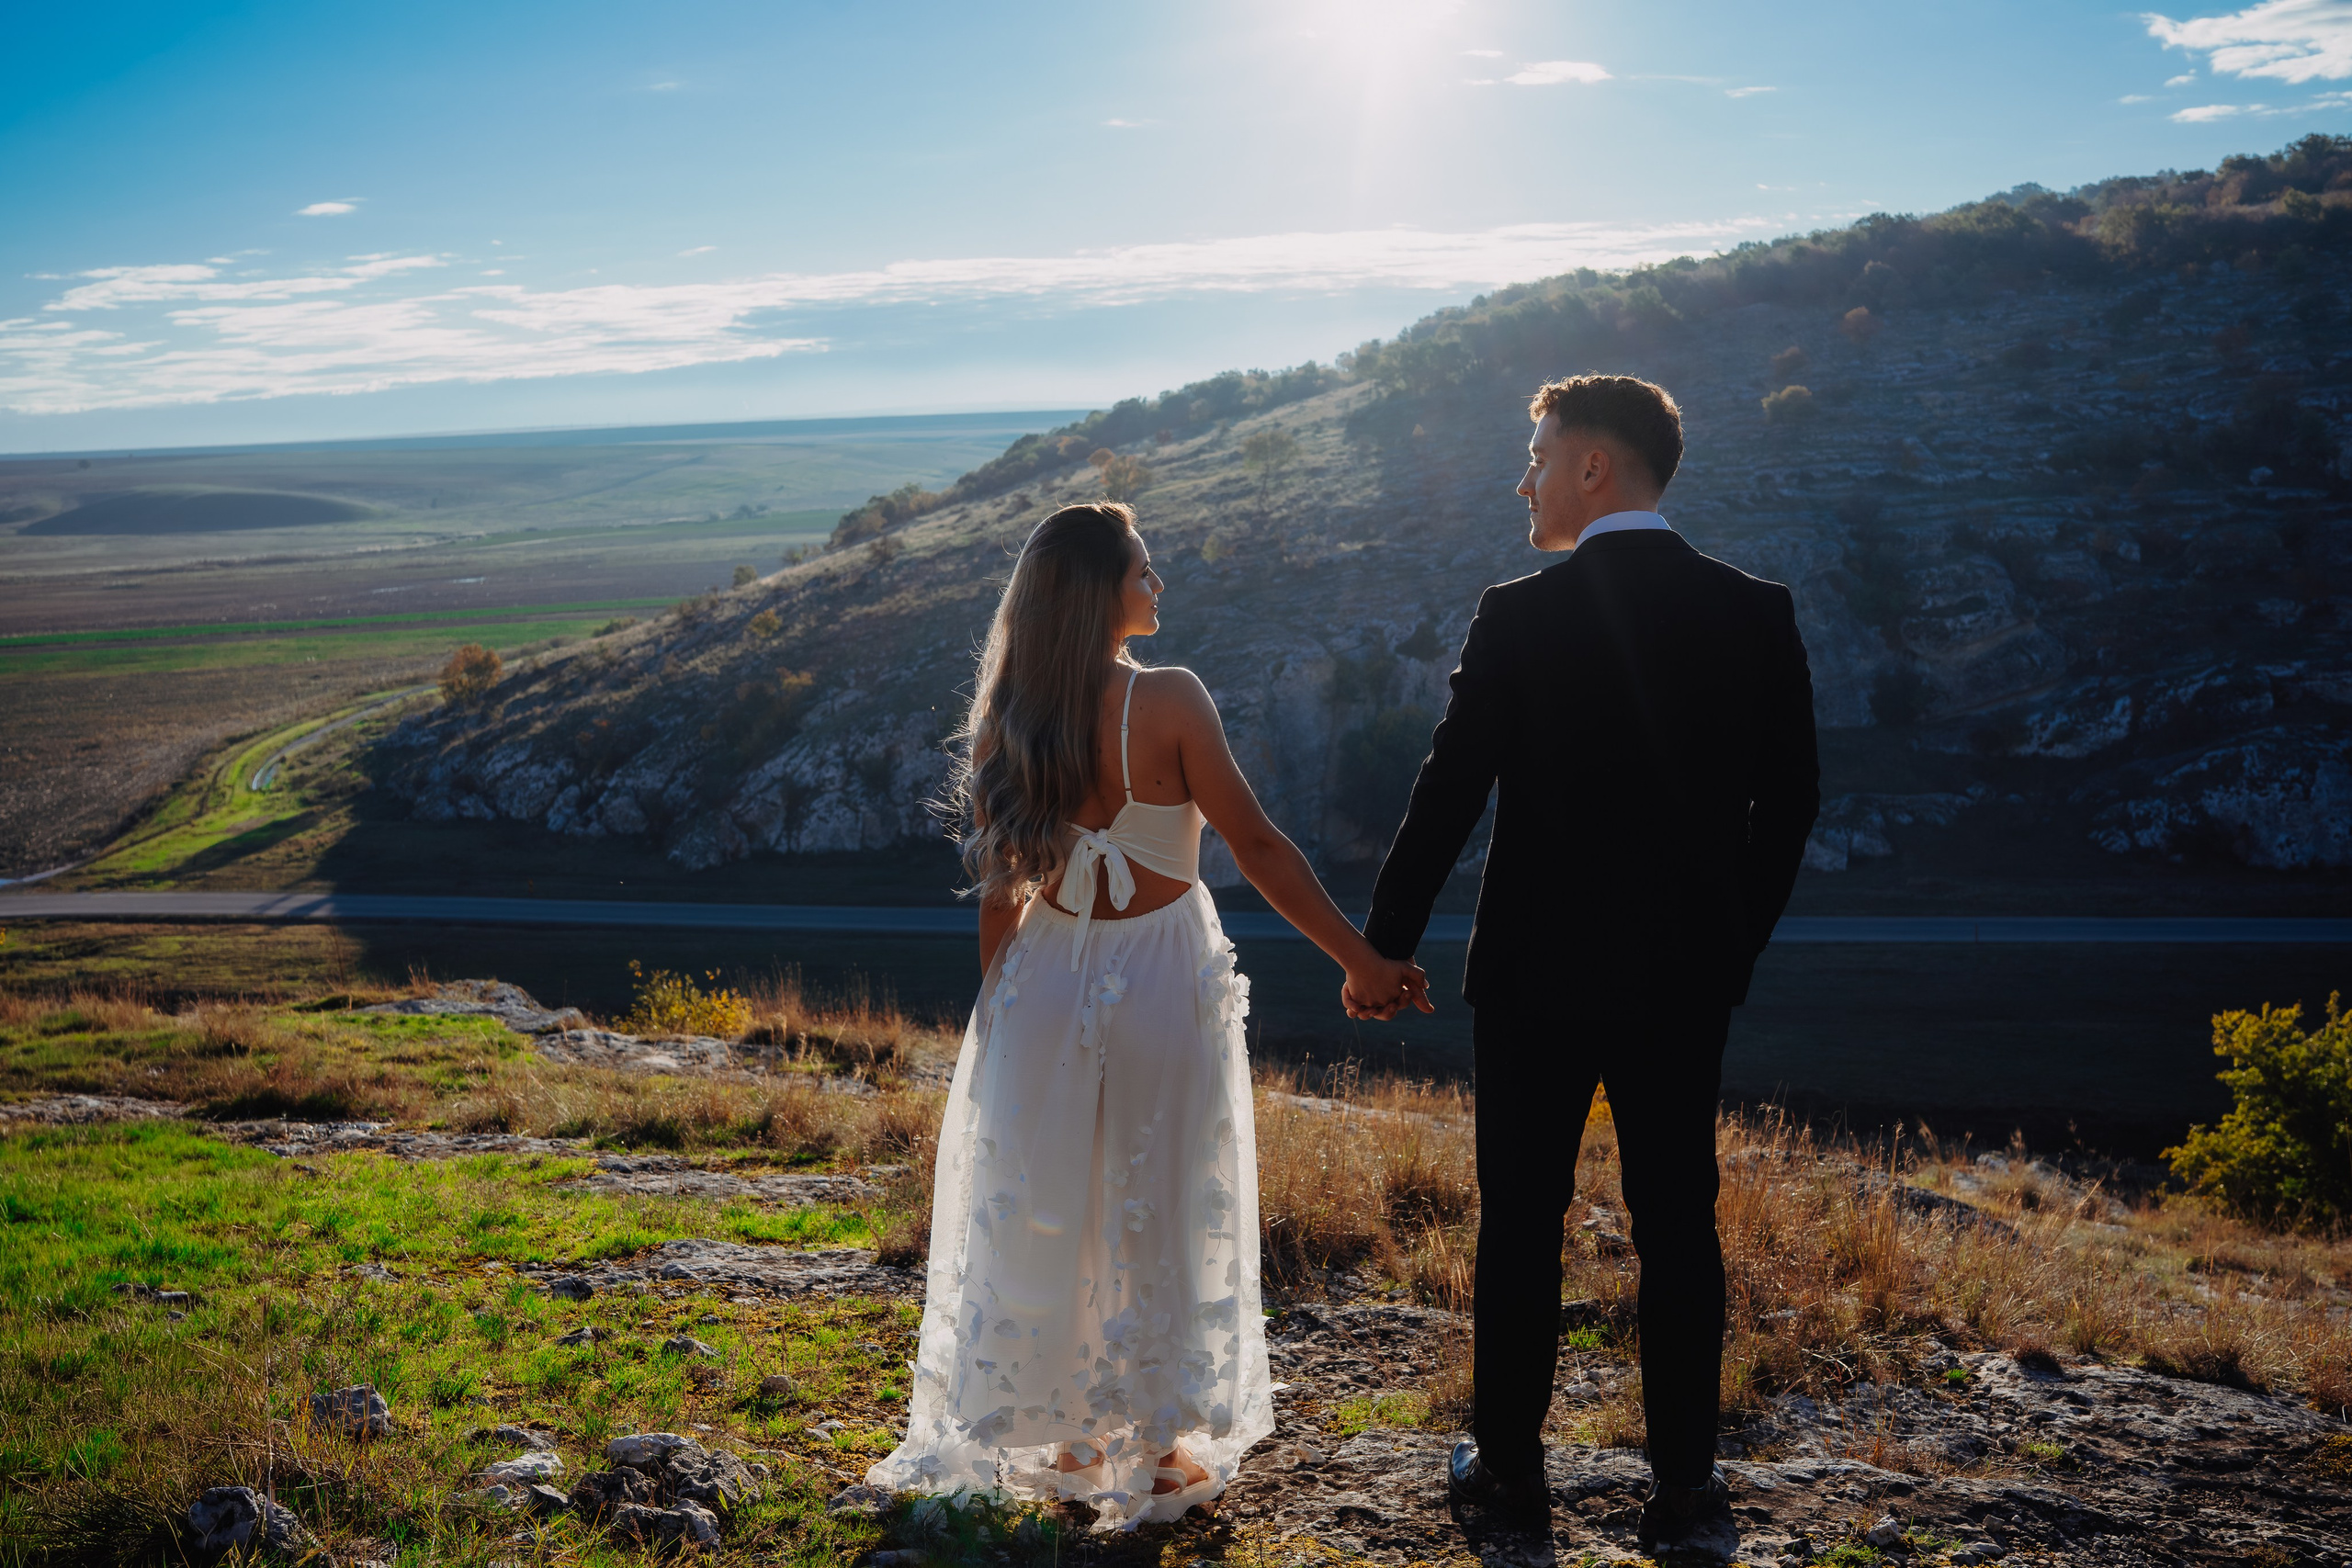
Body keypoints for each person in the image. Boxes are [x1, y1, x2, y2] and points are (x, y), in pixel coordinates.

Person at [868, 501, 1428, 1529]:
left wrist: (999, 1017)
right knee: (1160, 1186)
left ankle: (1078, 1431)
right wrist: (1364, 962)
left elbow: (1000, 892)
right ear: (1099, 594)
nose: (1157, 585)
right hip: (1160, 974)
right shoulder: (1167, 699)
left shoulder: (1012, 716)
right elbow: (1255, 847)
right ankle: (1157, 1445)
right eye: (1143, 570)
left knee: (1059, 1192)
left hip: (1044, 972)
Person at [1360, 375, 1820, 1559]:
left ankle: (1511, 1472)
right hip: (1683, 981)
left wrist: (1383, 948)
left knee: (1520, 1221)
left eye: (1537, 454)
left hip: (1531, 977)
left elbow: (1446, 791)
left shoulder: (1517, 616)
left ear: (1593, 469)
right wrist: (1733, 943)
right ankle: (1684, 1488)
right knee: (1680, 1224)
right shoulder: (1754, 611)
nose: (1523, 479)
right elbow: (1793, 803)